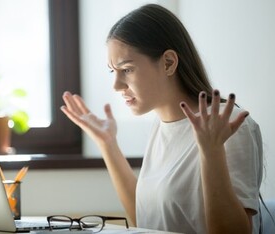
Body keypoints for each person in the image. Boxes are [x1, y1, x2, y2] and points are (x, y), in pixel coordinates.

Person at [61, 4, 263, 234]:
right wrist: (107, 144)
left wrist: (211, 152)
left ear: (168, 62)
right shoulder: (162, 124)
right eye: (112, 71)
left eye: (126, 69)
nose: (116, 85)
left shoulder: (227, 123)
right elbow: (146, 221)